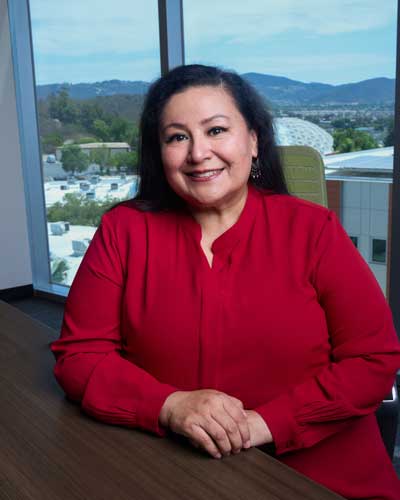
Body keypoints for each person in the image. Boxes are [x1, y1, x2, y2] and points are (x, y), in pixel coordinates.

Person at [51, 64, 400, 499]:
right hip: (173, 473)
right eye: (177, 137)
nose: (198, 153)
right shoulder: (123, 231)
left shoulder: (314, 230)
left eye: (216, 130)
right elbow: (80, 357)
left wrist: (262, 424)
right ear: (160, 153)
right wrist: (169, 406)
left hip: (321, 478)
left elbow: (372, 359)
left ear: (253, 140)